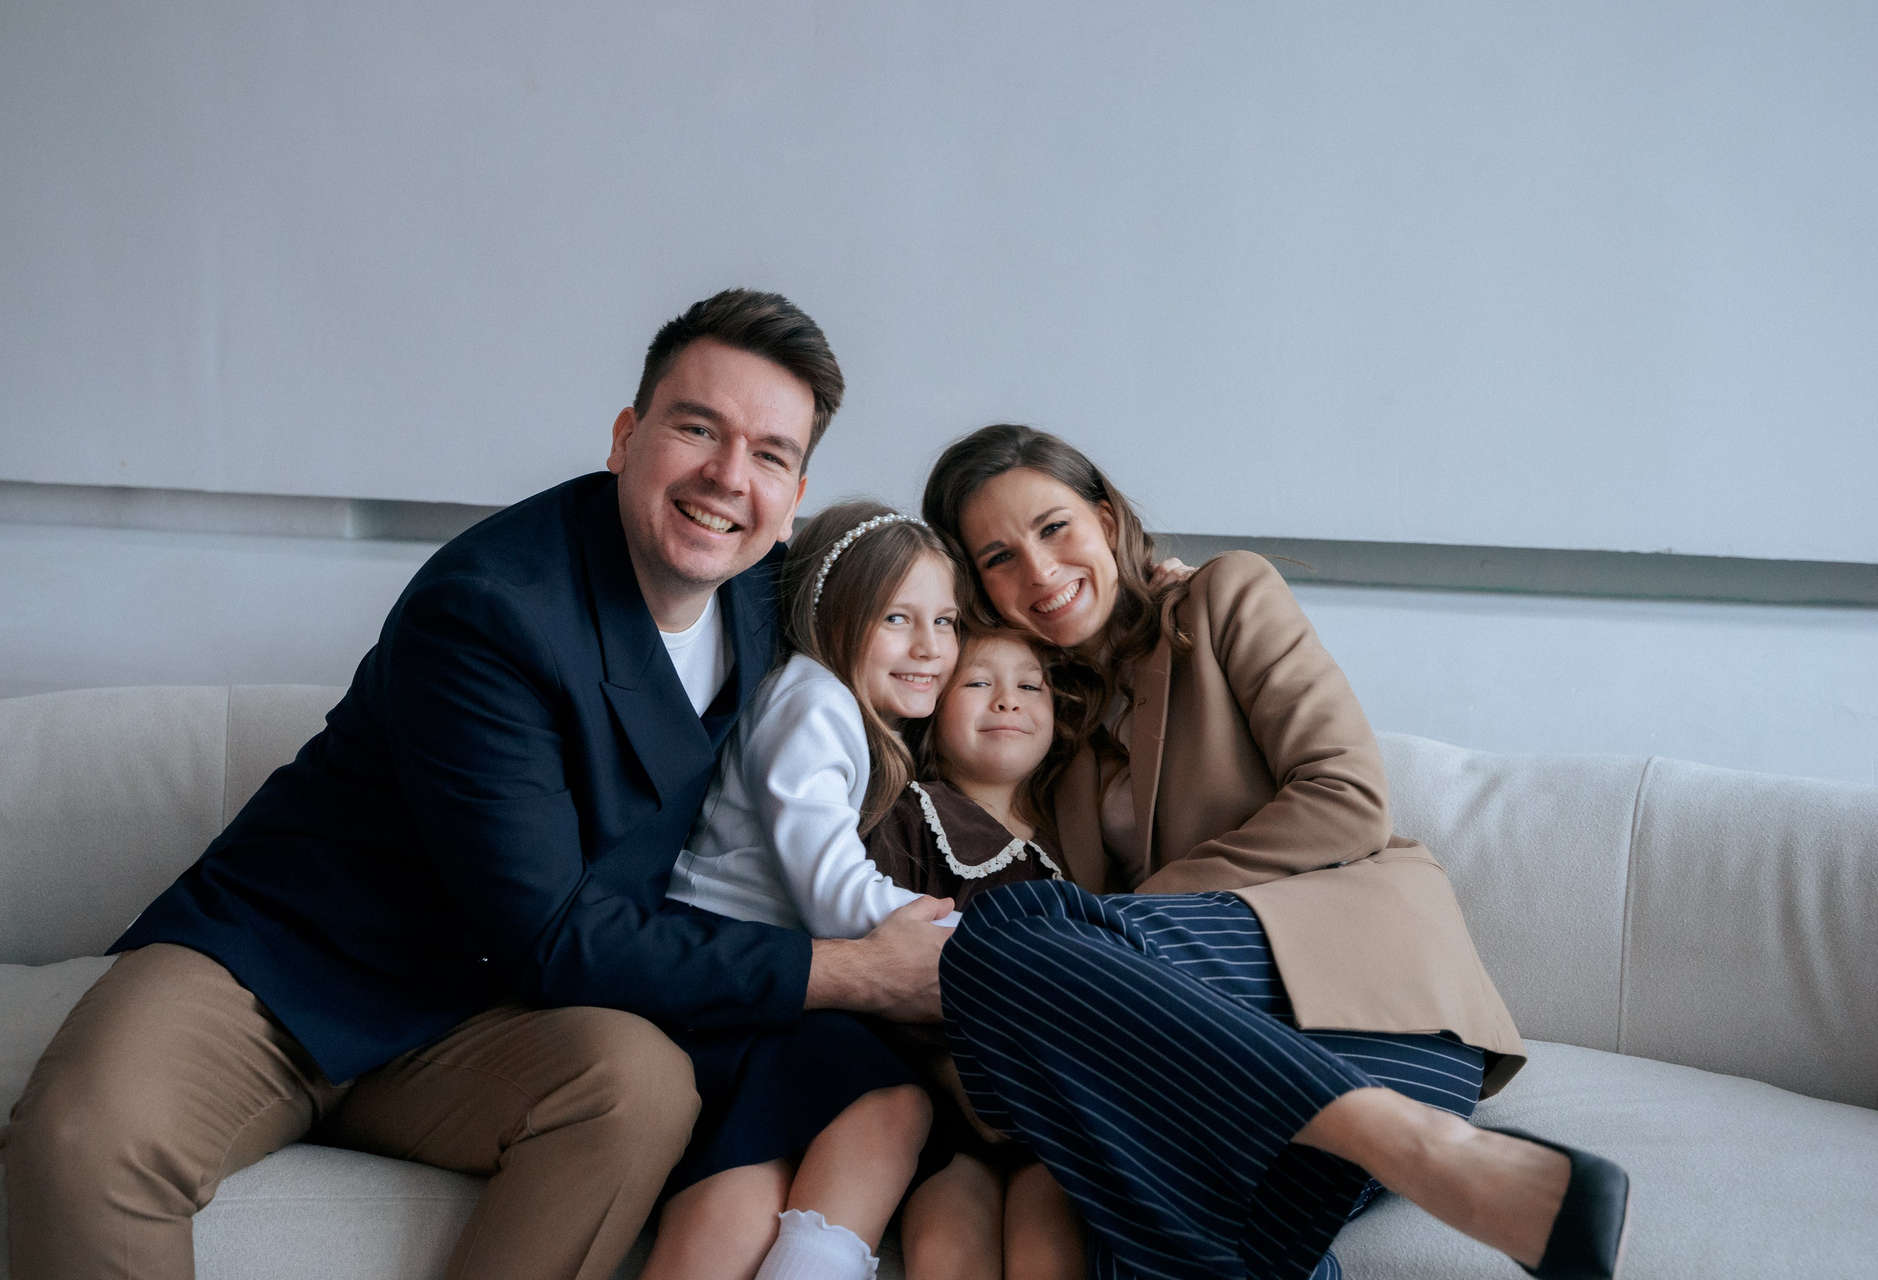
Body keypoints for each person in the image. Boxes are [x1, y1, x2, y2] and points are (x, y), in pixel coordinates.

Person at [0, 289, 953, 1280]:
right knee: (80, 1141)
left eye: (769, 454)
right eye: (697, 427)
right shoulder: (489, 610)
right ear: (625, 437)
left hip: (489, 1018)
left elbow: (924, 630)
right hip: (290, 967)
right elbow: (554, 934)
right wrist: (854, 969)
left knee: (639, 1087)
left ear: (795, 495)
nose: (727, 476)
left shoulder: (768, 591)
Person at [918, 424, 1633, 1280]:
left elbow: (1347, 796)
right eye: (999, 557)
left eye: (1054, 527)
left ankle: (1430, 1147)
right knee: (1119, 1224)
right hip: (1237, 1077)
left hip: (1380, 1008)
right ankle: (1457, 1174)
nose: (1038, 571)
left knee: (1001, 939)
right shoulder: (1045, 732)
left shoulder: (1222, 597)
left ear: (1106, 521)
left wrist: (1121, 921)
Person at [661, 501, 1087, 1280]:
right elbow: (831, 890)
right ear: (833, 614)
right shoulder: (813, 702)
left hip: (764, 982)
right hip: (723, 976)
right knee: (890, 1106)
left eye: (945, 622)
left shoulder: (841, 713)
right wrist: (973, 946)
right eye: (897, 618)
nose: (931, 647)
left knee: (880, 1113)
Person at [865, 626, 1089, 1280]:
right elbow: (882, 972)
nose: (1008, 700)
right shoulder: (909, 817)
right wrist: (949, 1075)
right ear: (933, 707)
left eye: (1029, 686)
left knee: (1051, 1239)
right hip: (941, 1099)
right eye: (979, 683)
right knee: (950, 1244)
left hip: (1046, 1114)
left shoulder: (1074, 841)